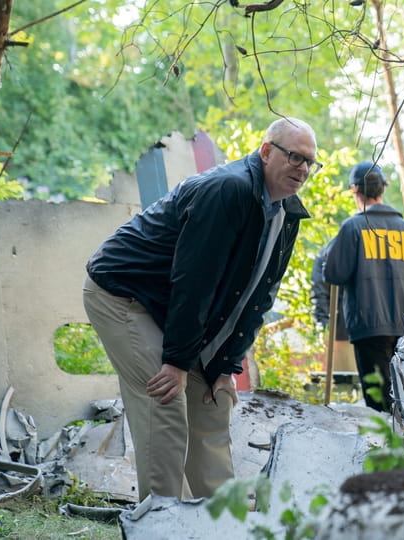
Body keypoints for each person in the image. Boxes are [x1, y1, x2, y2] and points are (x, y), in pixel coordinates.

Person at [82, 117, 320, 501]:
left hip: (173, 306)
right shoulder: (229, 191)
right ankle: (163, 524)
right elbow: (195, 281)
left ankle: (220, 523)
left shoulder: (285, 213)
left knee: (213, 405)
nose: (303, 169)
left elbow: (257, 298)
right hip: (124, 294)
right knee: (165, 400)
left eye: (310, 161)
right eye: (295, 157)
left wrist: (225, 366)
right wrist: (176, 362)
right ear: (265, 152)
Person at [323, 160, 404, 412]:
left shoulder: (354, 227)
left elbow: (334, 273)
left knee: (379, 405)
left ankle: (387, 449)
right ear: (383, 188)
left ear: (355, 190)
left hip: (369, 329)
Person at [310, 243, 356, 373]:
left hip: (342, 331)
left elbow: (319, 294)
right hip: (356, 330)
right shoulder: (367, 252)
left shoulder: (326, 253)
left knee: (344, 383)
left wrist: (323, 327)